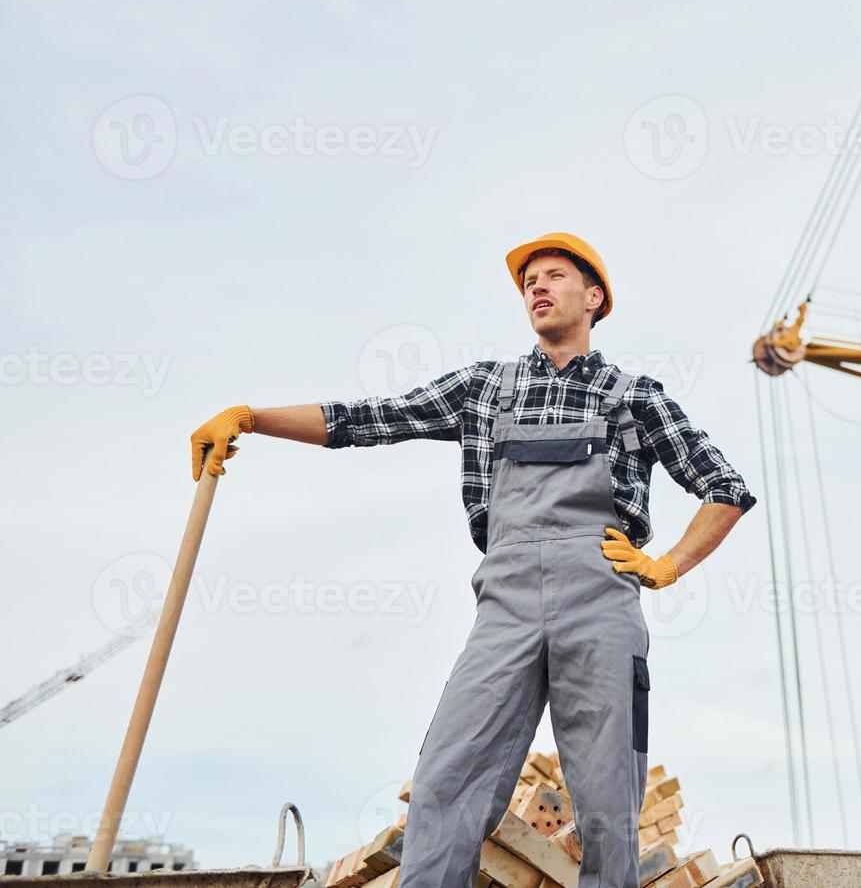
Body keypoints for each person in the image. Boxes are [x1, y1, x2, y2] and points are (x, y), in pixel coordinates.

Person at [189, 233, 756, 888]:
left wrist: (670, 565)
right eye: (527, 283)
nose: (536, 288)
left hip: (601, 601)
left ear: (594, 297)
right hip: (505, 606)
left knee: (606, 803)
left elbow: (724, 487)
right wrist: (253, 418)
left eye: (552, 276)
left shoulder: (635, 396)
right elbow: (372, 418)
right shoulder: (484, 388)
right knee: (445, 781)